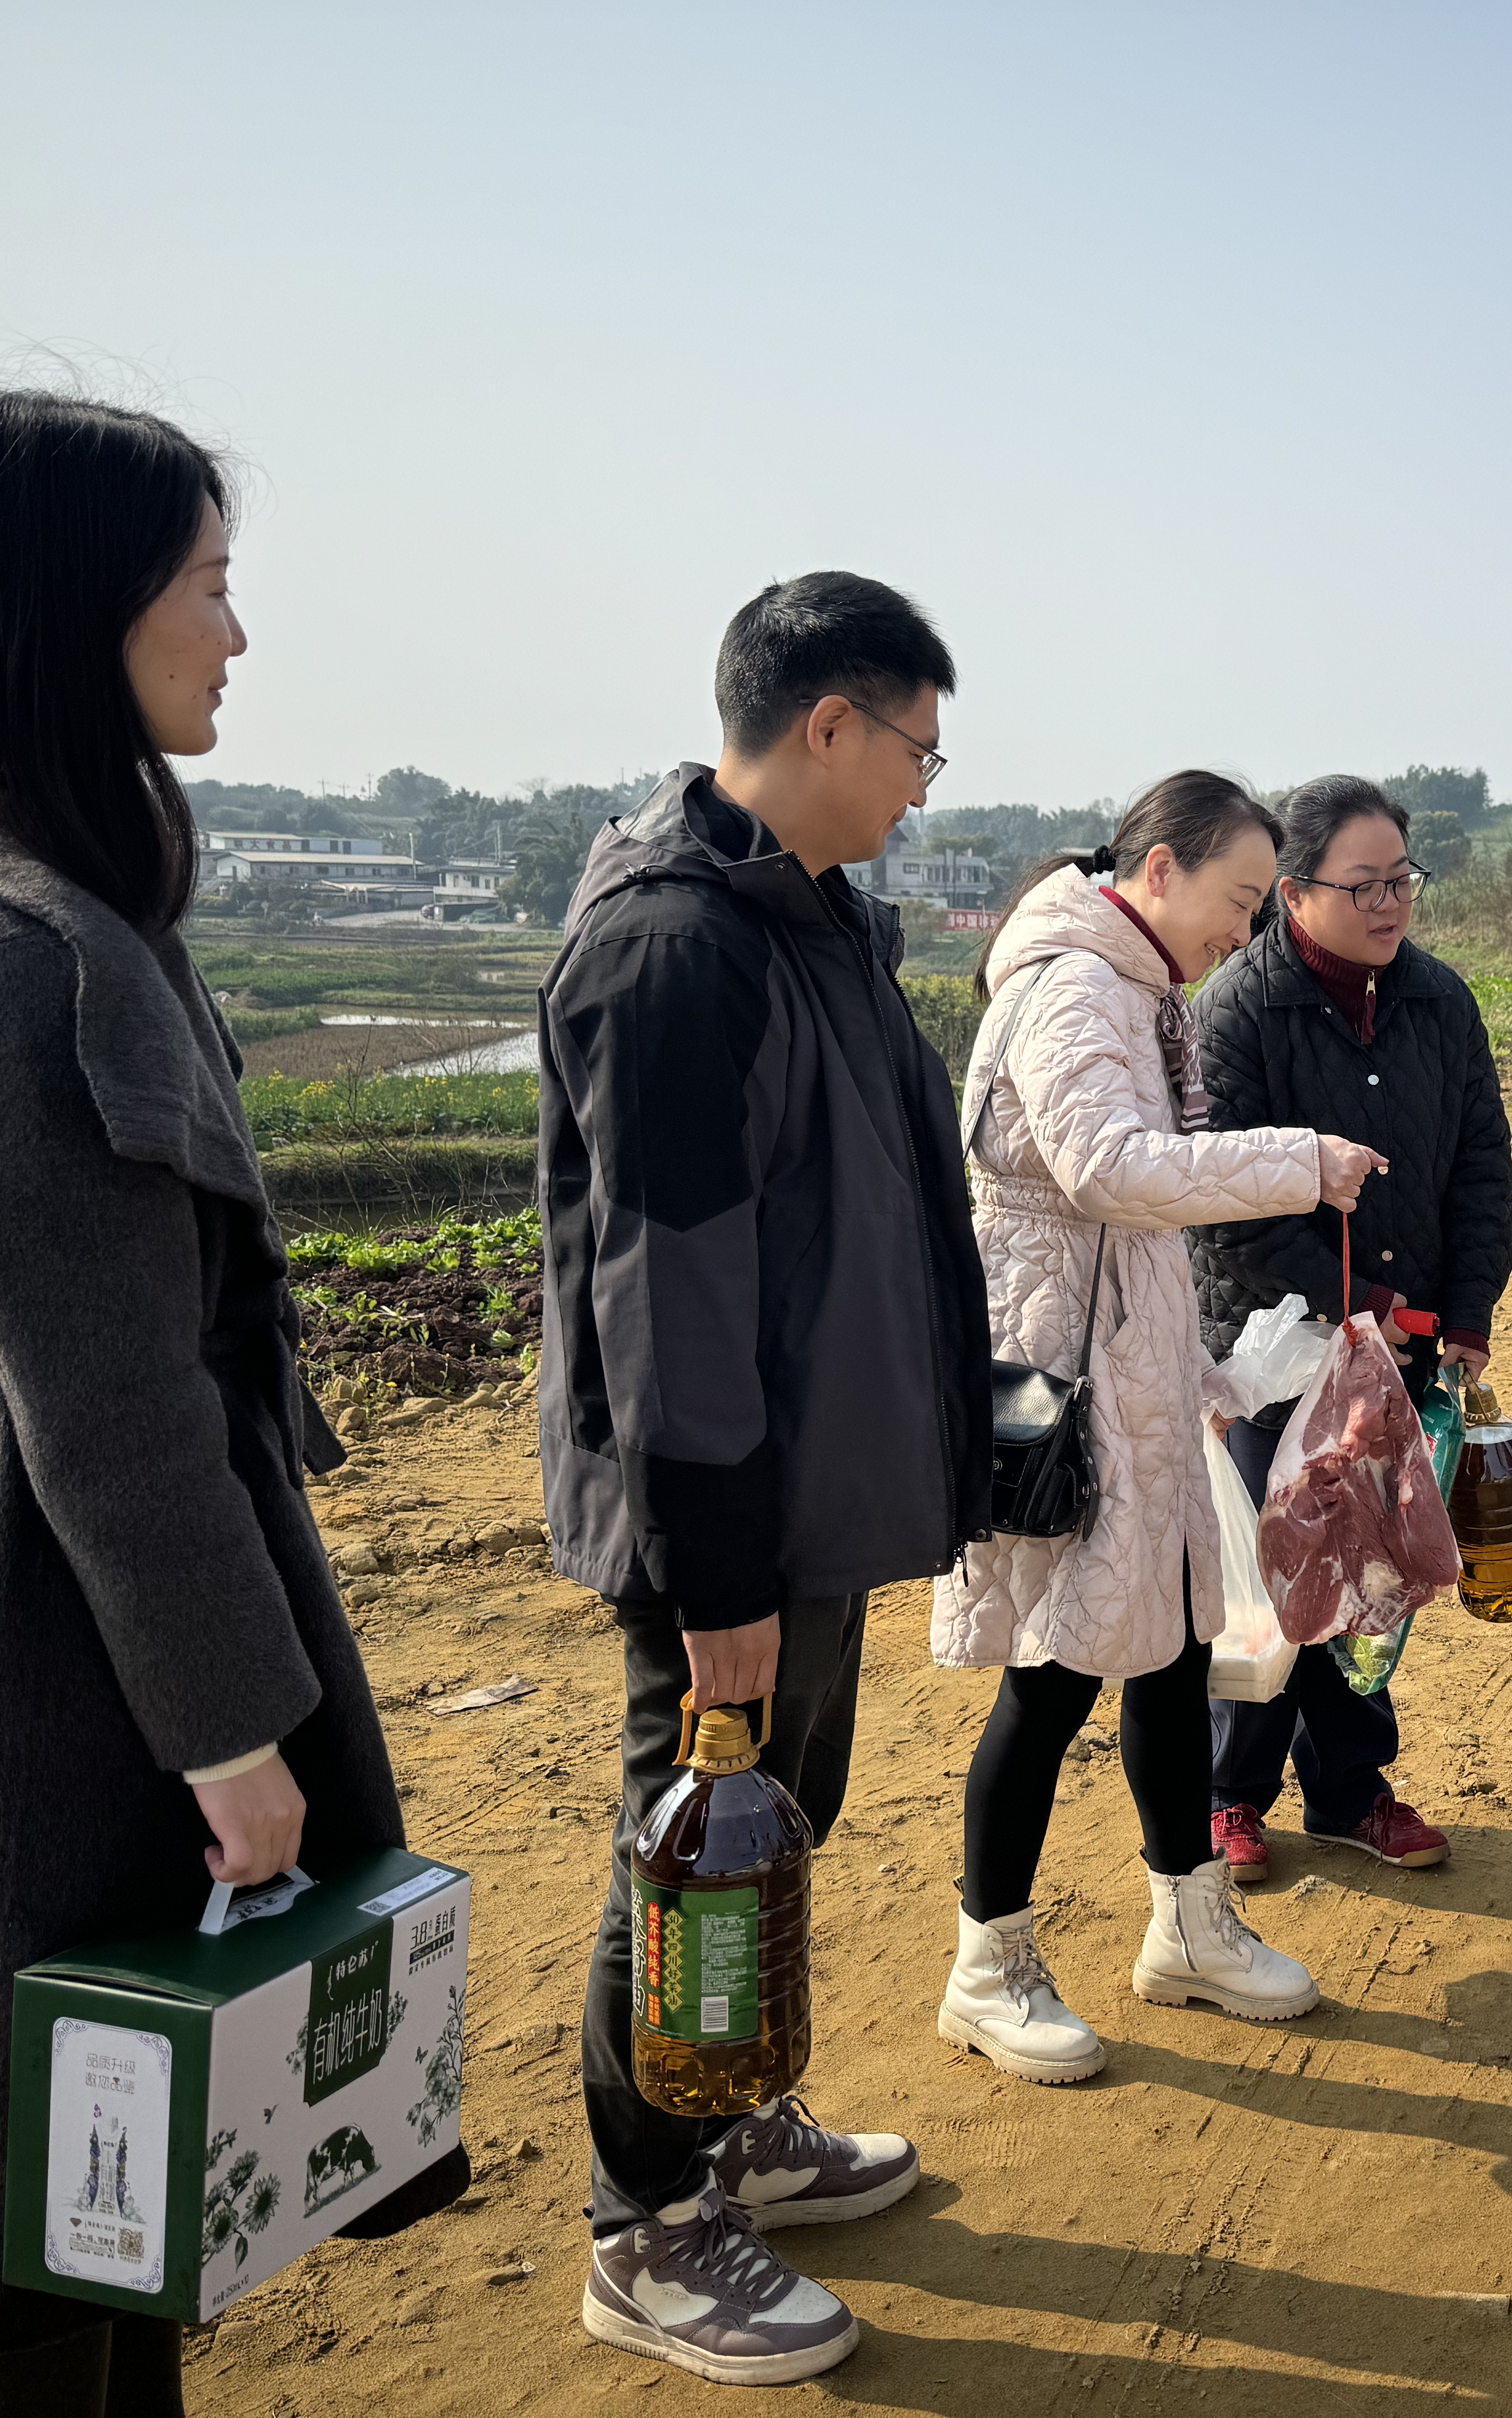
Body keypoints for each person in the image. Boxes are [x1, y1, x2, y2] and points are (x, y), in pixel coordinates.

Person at [0, 393, 411, 2417]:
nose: (236, 636)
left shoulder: (35, 876)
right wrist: (231, 1732)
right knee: (42, 2167)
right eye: (210, 587)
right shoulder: (19, 959)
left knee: (117, 2161)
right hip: (36, 1623)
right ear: (79, 607)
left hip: (6, 1564)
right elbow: (111, 1405)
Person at [541, 572, 992, 2387]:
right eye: (918, 751)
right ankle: (644, 2219)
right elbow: (670, 1296)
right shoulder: (676, 950)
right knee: (689, 1849)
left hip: (810, 1489)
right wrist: (716, 1572)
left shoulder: (810, 918)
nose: (922, 787)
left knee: (773, 1823)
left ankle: (729, 2128)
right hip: (724, 1515)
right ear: (827, 723)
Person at [933, 775, 1384, 2083]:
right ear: (1161, 870)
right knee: (1054, 1669)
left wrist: (1198, 1372)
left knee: (1174, 1651)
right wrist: (1298, 1160)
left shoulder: (1134, 986)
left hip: (1124, 1370)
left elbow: (1127, 1235)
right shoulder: (1075, 985)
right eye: (1238, 900)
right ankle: (987, 1967)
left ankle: (1189, 1925)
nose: (1244, 932)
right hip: (1059, 1391)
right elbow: (1110, 1171)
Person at [1191, 774, 1512, 1883]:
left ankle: (1348, 1790)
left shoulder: (1440, 1002)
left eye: (1402, 881)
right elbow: (1223, 1204)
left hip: (1403, 1345)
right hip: (1273, 1348)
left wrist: (1467, 1310)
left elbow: (1480, 1166)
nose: (1390, 904)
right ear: (1293, 892)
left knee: (1367, 1569)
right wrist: (1349, 1311)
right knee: (1274, 1569)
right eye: (1363, 885)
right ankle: (1231, 1793)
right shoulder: (1237, 1011)